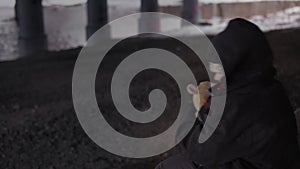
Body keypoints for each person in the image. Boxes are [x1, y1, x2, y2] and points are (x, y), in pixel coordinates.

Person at [155, 18, 300, 169]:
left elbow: (199, 151)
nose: (216, 77)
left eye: (219, 69)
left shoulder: (240, 104)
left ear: (237, 64)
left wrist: (193, 105)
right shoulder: (266, 87)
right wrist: (211, 98)